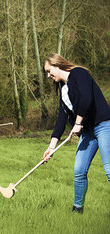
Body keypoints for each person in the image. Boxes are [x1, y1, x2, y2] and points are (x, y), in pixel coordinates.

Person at [43, 53, 110, 214]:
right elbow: (61, 118)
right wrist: (51, 147)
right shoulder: (63, 89)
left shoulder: (79, 73)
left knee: (109, 170)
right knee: (79, 171)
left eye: (49, 70)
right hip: (87, 132)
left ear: (57, 65)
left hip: (103, 124)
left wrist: (78, 122)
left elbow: (86, 98)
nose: (48, 75)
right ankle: (77, 210)